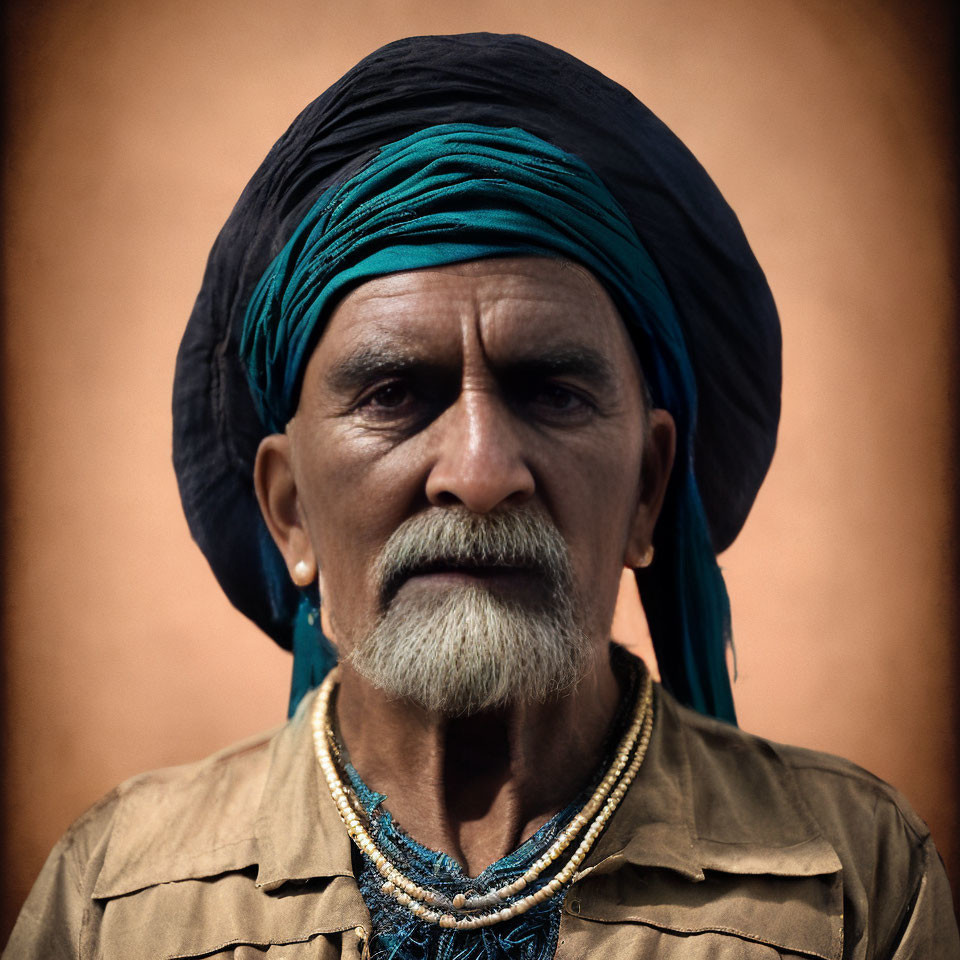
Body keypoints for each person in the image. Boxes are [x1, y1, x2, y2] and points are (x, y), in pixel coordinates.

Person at [4, 33, 958, 960]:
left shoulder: (857, 882)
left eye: (552, 391)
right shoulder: (117, 898)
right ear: (289, 508)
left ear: (648, 491)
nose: (479, 469)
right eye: (394, 396)